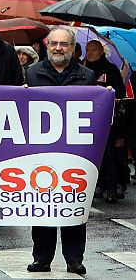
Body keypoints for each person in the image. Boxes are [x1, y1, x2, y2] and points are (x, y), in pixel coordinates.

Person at [25, 27, 97, 275]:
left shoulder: (87, 76)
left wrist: (106, 96)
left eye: (63, 44)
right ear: (47, 46)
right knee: (42, 204)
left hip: (75, 154)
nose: (58, 48)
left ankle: (74, 259)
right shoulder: (31, 74)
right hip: (41, 153)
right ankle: (42, 258)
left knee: (73, 205)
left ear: (72, 48)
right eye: (54, 43)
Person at [82, 40, 127, 203]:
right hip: (86, 120)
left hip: (108, 121)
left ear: (101, 52)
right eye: (88, 50)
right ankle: (95, 186)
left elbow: (120, 92)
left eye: (94, 50)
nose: (90, 53)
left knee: (109, 155)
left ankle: (111, 187)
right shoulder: (82, 69)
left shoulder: (110, 69)